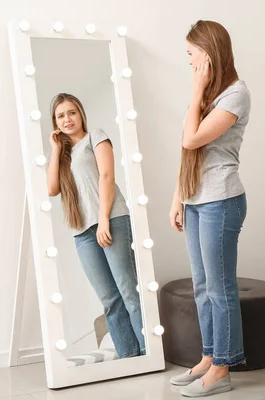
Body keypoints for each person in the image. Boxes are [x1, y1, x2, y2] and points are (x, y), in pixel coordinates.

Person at [168, 21, 251, 397]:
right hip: (197, 200)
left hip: (221, 200)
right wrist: (178, 198)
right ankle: (207, 357)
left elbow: (191, 138)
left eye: (191, 53)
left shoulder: (235, 94)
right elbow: (188, 155)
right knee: (202, 287)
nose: (188, 62)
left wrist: (196, 90)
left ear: (208, 51)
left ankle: (223, 368)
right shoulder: (207, 95)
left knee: (220, 289)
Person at [46, 93, 145, 359]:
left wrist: (103, 220)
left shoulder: (96, 137)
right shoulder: (64, 156)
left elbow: (107, 176)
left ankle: (149, 353)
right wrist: (56, 150)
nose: (67, 119)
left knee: (128, 292)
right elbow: (52, 189)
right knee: (110, 300)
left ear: (81, 114)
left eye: (71, 112)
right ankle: (129, 357)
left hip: (111, 219)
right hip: (82, 233)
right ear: (54, 122)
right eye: (60, 116)